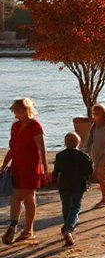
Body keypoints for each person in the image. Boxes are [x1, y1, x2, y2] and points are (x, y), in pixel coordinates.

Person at [2, 98, 48, 244]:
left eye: (15, 109)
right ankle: (26, 229)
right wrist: (4, 163)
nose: (13, 112)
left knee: (20, 196)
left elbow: (41, 148)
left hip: (30, 165)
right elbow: (12, 147)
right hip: (17, 164)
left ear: (24, 110)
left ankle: (18, 226)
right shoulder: (15, 126)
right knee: (25, 198)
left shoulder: (35, 126)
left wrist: (44, 168)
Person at [52, 132, 93, 247]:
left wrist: (54, 180)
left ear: (65, 143)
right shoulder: (83, 156)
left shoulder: (60, 156)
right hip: (78, 184)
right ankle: (68, 229)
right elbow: (89, 171)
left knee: (66, 206)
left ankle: (67, 228)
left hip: (64, 184)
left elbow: (56, 171)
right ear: (78, 142)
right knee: (75, 206)